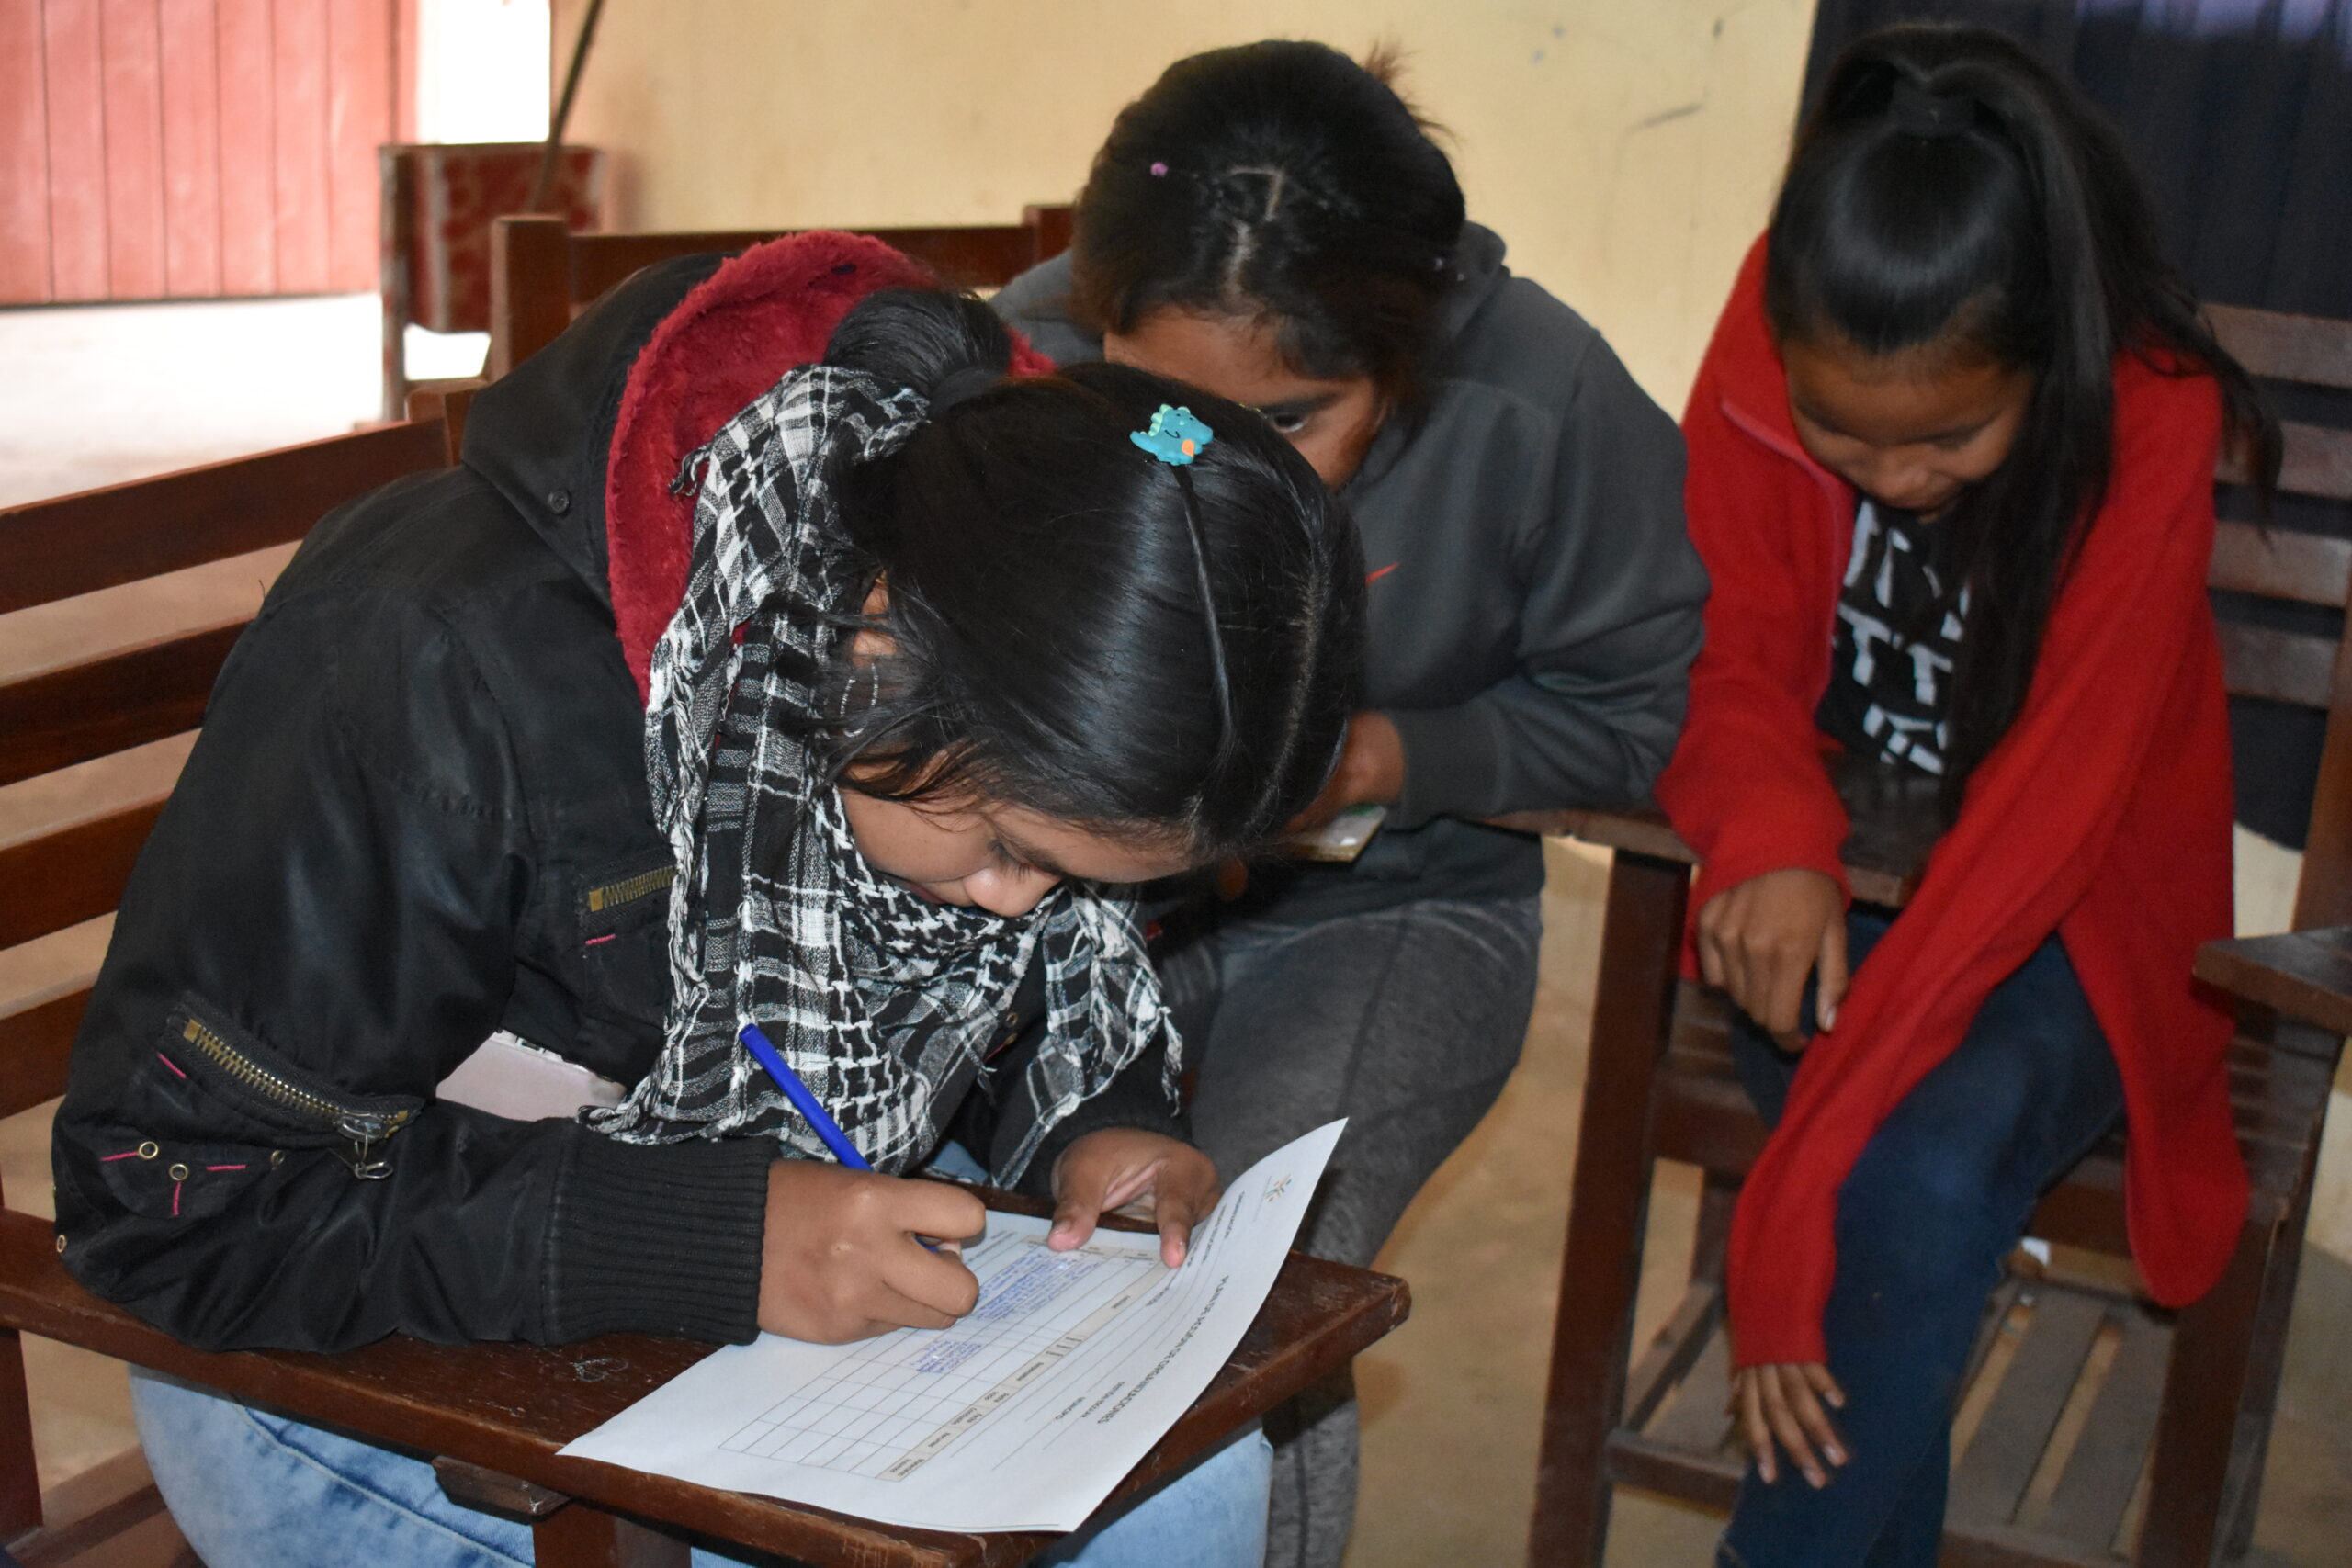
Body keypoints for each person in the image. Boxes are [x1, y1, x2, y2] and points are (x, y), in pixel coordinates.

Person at [49, 231, 1363, 1568]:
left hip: (770, 1233)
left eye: (1083, 882)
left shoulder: (966, 600)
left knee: (1190, 1490)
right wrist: (711, 1244)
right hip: (342, 1353)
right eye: (1016, 851)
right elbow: (176, 1202)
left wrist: (1098, 1117)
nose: (1022, 911)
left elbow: (1031, 980)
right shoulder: (425, 666)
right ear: (880, 653)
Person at [992, 39, 1706, 1567]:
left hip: (1396, 912)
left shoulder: (1545, 402)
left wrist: (1395, 755)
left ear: (1415, 351)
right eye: (1165, 418)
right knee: (975, 1231)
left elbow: (1649, 716)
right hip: (1076, 909)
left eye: (1301, 422)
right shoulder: (1017, 356)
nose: (1219, 480)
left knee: (1249, 1289)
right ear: (1097, 323)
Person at [1656, 24, 2274, 1566]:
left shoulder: (2151, 408)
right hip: (1837, 886)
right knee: (1902, 1229)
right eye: (1838, 432)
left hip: (2076, 916)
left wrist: (1785, 1215)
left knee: (1899, 1183)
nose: (1891, 477)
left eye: (1948, 436)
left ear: (2045, 356)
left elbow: (2049, 825)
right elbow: (1718, 649)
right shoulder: (1783, 313)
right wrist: (1773, 835)